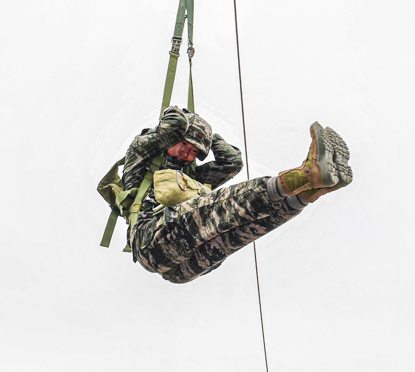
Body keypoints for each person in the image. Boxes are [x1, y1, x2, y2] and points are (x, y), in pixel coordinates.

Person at [123, 106, 353, 283]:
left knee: (246, 225)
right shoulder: (141, 158)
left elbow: (232, 161)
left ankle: (312, 190)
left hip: (182, 269)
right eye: (184, 144)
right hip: (151, 241)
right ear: (173, 138)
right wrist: (189, 124)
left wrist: (206, 137)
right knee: (223, 206)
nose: (187, 153)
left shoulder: (192, 176)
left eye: (194, 152)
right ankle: (306, 174)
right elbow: (174, 123)